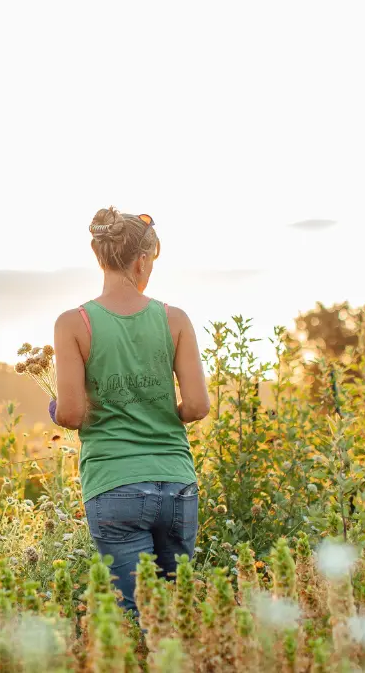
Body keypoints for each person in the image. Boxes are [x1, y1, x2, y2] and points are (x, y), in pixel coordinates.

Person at [49, 206, 210, 615]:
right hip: (176, 484)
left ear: (97, 253)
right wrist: (157, 411)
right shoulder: (174, 319)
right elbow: (196, 406)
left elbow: (70, 415)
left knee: (137, 618)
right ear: (143, 259)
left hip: (114, 485)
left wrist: (56, 408)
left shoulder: (73, 323)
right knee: (179, 614)